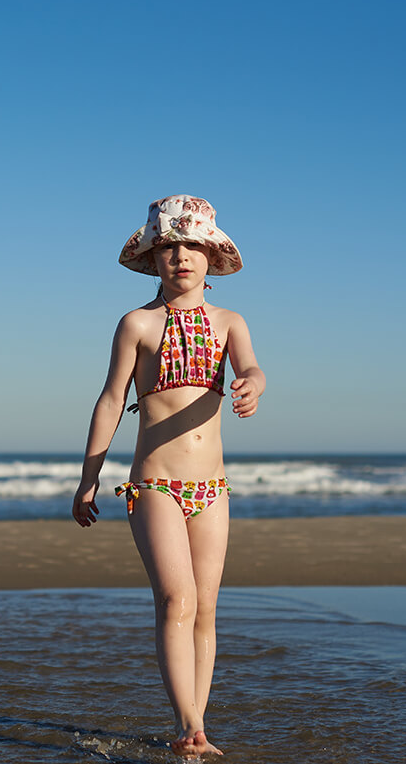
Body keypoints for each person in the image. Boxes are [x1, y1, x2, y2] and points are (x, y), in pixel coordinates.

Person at [72, 195, 265, 758]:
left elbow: (252, 368)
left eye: (192, 247)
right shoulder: (137, 324)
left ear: (212, 258)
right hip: (154, 485)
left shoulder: (229, 323)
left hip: (213, 490)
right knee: (176, 599)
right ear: (153, 259)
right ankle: (188, 728)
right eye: (169, 248)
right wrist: (89, 477)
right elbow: (111, 400)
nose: (181, 257)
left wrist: (253, 384)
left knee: (205, 607)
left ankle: (198, 725)